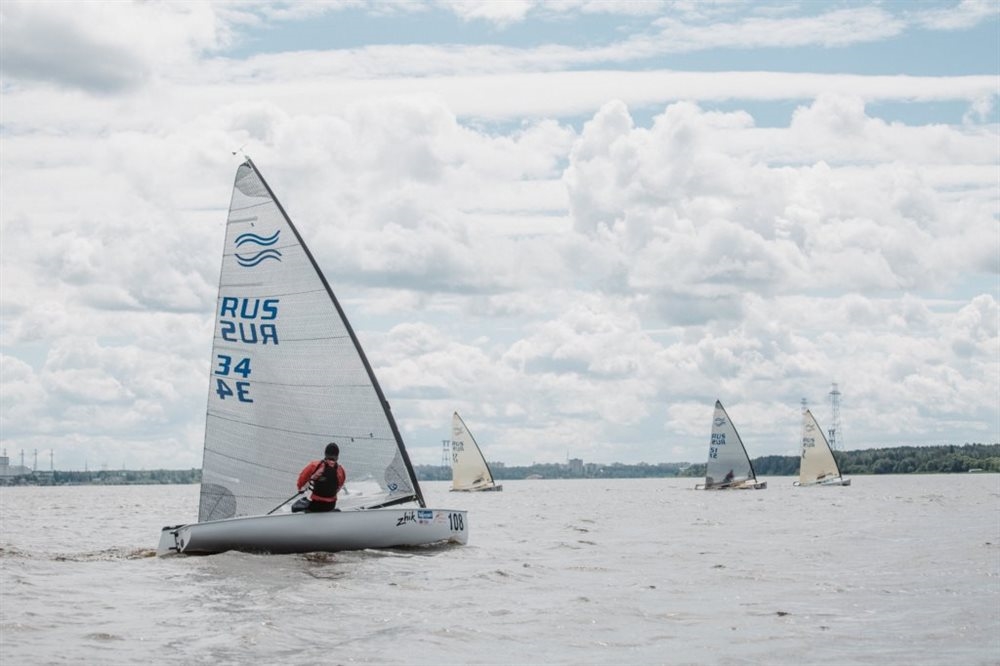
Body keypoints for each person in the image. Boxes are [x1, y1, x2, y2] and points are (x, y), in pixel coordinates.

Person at [291, 442, 346, 513]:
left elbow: (302, 480)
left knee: (296, 506)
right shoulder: (341, 470)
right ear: (337, 456)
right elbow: (339, 487)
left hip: (315, 504)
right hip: (330, 505)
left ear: (325, 454)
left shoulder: (315, 465)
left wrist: (301, 489)